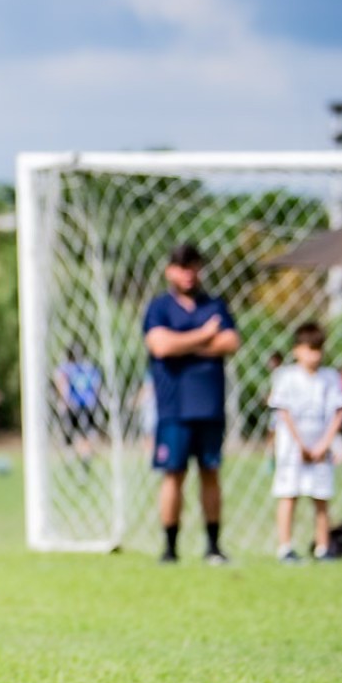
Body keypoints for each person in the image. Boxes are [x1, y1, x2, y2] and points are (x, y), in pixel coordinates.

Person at [142, 242, 240, 564]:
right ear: (170, 270)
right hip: (174, 408)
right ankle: (170, 548)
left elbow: (230, 341)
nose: (189, 273)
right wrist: (202, 336)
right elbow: (160, 347)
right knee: (174, 474)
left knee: (210, 472)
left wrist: (182, 343)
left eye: (194, 266)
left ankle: (213, 546)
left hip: (209, 406)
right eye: (183, 267)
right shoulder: (159, 308)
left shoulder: (215, 305)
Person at [269, 322, 342, 563]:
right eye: (308, 349)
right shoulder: (286, 377)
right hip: (293, 448)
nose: (314, 355)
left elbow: (338, 413)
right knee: (288, 494)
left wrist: (324, 445)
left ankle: (322, 548)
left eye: (318, 349)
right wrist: (301, 445)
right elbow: (283, 412)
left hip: (320, 447)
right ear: (296, 350)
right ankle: (285, 547)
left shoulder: (330, 378)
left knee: (321, 497)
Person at [55, 344, 102, 464]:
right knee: (85, 432)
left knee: (71, 432)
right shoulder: (89, 368)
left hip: (73, 405)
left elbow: (61, 384)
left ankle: (71, 458)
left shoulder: (66, 368)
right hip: (87, 405)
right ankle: (84, 457)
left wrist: (63, 401)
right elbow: (97, 386)